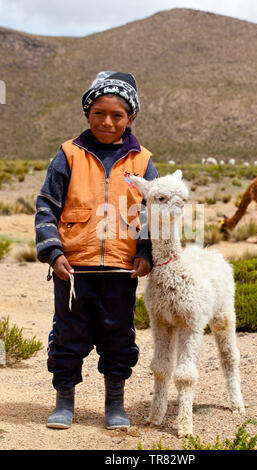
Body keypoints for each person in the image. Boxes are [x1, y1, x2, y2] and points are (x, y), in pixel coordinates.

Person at [35, 71, 158, 430]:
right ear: (87, 114)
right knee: (68, 334)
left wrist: (146, 253)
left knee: (119, 336)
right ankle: (64, 400)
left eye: (117, 116)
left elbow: (152, 211)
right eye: (99, 113)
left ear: (130, 119)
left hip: (121, 271)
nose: (107, 122)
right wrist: (53, 251)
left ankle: (115, 402)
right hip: (73, 270)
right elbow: (46, 206)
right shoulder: (69, 154)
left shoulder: (142, 160)